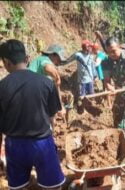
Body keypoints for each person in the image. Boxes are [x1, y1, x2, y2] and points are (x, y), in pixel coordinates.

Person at [0, 39, 65, 190]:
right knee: (53, 187)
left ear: (6, 62)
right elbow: (51, 116)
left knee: (18, 187)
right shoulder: (46, 83)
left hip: (15, 146)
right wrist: (51, 135)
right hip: (42, 143)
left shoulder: (1, 87)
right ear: (27, 59)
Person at [28, 44, 66, 117]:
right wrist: (57, 77)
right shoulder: (44, 59)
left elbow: (56, 88)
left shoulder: (44, 66)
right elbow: (47, 67)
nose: (59, 62)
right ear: (53, 55)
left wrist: (60, 106)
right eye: (59, 59)